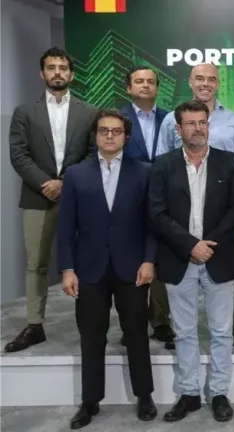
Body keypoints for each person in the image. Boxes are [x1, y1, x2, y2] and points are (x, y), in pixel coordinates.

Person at [57, 110, 157, 429]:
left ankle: (144, 395)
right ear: (95, 135)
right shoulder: (75, 174)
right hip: (89, 268)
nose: (110, 136)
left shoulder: (144, 173)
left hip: (132, 267)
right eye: (104, 131)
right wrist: (67, 268)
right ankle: (90, 401)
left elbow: (151, 224)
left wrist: (148, 260)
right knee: (91, 335)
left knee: (137, 333)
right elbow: (65, 227)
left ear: (126, 137)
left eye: (116, 131)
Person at [148, 100, 234, 423]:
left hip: (219, 257)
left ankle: (219, 393)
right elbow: (157, 214)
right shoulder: (162, 165)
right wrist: (191, 245)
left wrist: (207, 245)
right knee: (184, 332)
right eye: (190, 123)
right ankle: (189, 393)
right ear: (178, 129)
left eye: (202, 122)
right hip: (179, 259)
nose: (198, 128)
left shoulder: (229, 163)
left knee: (221, 331)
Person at [6, 47, 98, 353]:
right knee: (36, 265)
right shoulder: (24, 113)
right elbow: (18, 155)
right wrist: (46, 183)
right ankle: (34, 325)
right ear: (42, 74)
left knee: (86, 261)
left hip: (78, 195)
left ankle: (90, 323)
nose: (57, 72)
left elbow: (93, 154)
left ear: (71, 74)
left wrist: (65, 181)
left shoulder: (90, 112)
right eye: (51, 67)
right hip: (37, 195)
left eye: (62, 67)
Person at [155, 63, 234, 347]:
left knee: (221, 274)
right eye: (199, 78)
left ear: (218, 83)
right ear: (191, 82)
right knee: (178, 280)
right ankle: (171, 327)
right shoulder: (172, 118)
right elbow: (161, 159)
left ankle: (227, 327)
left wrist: (231, 203)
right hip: (179, 211)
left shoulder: (233, 119)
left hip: (221, 209)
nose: (205, 83)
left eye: (211, 79)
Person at [119, 65, 175, 348]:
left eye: (150, 82)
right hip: (128, 198)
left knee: (160, 259)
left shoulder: (170, 118)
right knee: (130, 259)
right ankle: (132, 322)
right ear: (128, 87)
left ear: (157, 88)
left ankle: (161, 320)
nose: (145, 85)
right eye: (139, 81)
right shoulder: (116, 118)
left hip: (164, 198)